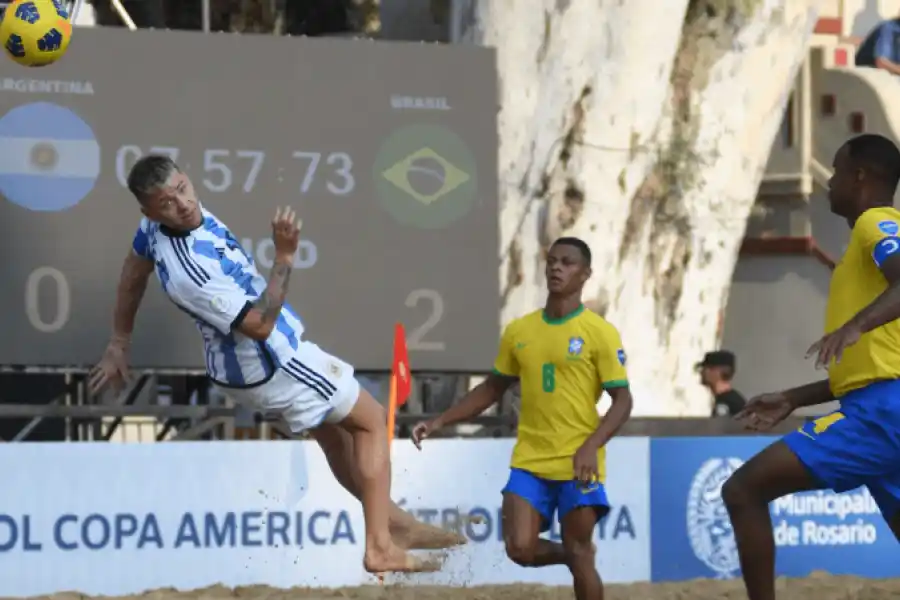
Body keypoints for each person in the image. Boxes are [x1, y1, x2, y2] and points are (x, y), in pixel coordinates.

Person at [88, 154, 457, 573]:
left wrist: (119, 340)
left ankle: (393, 523)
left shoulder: (152, 228)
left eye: (182, 189)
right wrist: (284, 255)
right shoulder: (193, 271)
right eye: (168, 203)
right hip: (270, 361)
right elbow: (261, 326)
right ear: (150, 211)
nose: (184, 204)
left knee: (333, 435)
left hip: (239, 369)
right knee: (370, 419)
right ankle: (381, 545)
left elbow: (134, 271)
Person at [723, 133, 900, 600]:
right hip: (880, 406)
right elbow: (871, 369)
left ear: (860, 176)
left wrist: (855, 325)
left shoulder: (876, 222)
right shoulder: (866, 251)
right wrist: (794, 398)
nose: (830, 183)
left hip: (880, 416)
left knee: (743, 491)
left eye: (837, 171)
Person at [412, 237, 634, 600]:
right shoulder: (519, 331)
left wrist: (592, 446)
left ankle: (579, 557)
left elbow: (623, 401)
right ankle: (577, 557)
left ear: (586, 274)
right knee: (520, 549)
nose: (557, 268)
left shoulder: (600, 333)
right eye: (552, 261)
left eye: (567, 262)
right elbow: (491, 389)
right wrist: (440, 421)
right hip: (529, 460)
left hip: (578, 461)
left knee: (579, 553)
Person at [695, 350, 746, 417]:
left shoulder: (726, 403)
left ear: (718, 371)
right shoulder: (731, 400)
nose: (701, 372)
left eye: (707, 368)